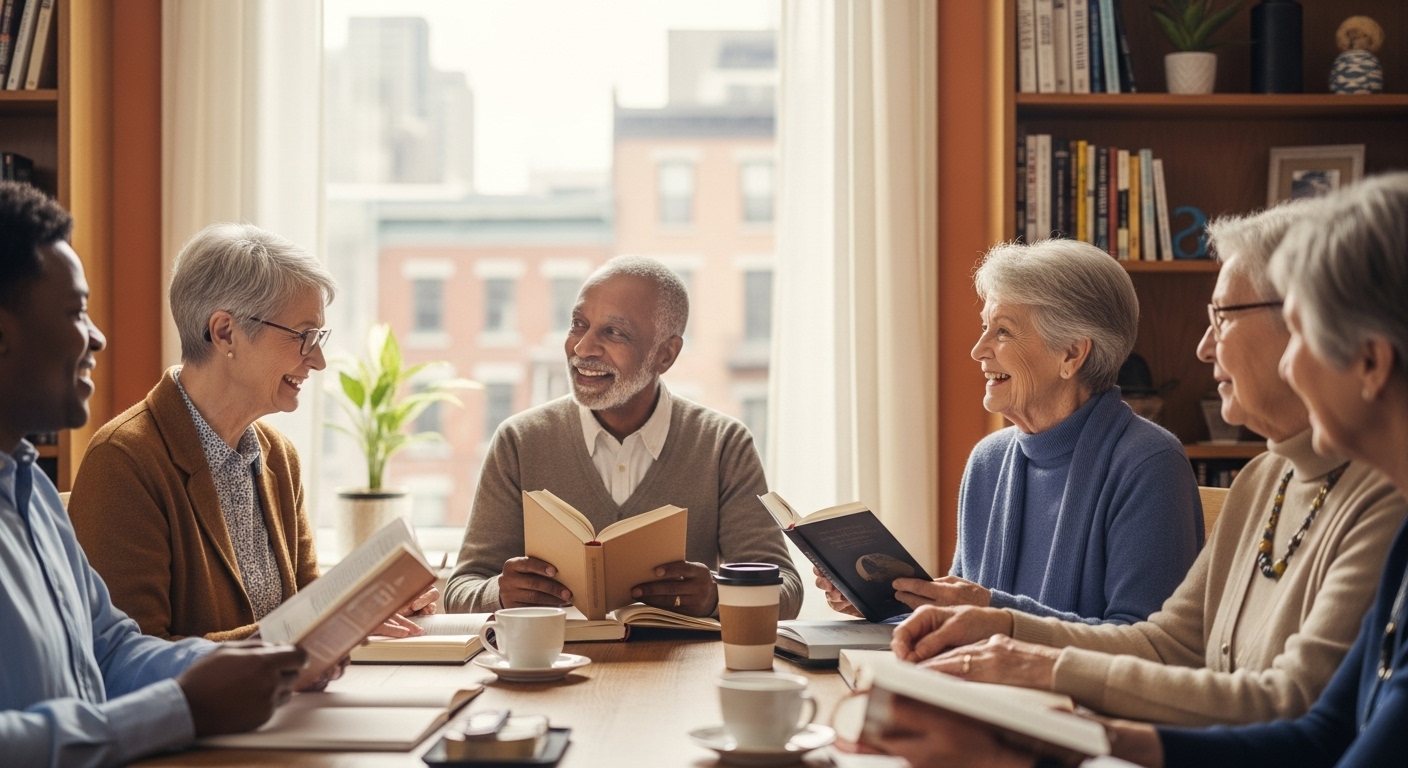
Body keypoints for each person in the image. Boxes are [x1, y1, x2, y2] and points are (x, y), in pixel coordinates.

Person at [870, 173, 1408, 768]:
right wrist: (1004, 637)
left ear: (1369, 358)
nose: (1203, 348)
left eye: (1223, 317)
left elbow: (1293, 709)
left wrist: (1036, 681)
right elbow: (1170, 644)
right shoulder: (1266, 475)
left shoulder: (1383, 502)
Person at [0, 180, 307, 767]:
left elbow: (111, 648)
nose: (98, 337)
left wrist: (260, 657)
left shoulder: (30, 490)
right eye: (75, 312)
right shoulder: (123, 457)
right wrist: (182, 706)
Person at [67, 223, 436, 641]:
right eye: (304, 336)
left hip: (286, 703)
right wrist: (284, 635)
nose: (318, 360)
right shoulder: (124, 461)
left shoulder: (278, 455)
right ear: (225, 332)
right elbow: (127, 658)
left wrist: (372, 606)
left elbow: (309, 607)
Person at [821, 239, 1202, 624]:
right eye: (985, 326)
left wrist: (992, 612)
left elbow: (1146, 648)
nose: (978, 350)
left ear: (1071, 354)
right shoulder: (989, 460)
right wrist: (887, 606)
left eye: (1002, 331)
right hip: (980, 683)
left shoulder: (1150, 465)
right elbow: (964, 622)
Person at [445, 256, 801, 619]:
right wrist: (501, 595)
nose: (582, 348)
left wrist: (716, 595)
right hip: (552, 669)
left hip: (680, 673)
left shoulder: (722, 445)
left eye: (613, 333)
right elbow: (460, 591)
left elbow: (787, 590)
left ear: (665, 354)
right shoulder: (520, 441)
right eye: (578, 325)